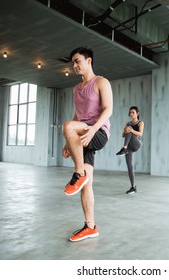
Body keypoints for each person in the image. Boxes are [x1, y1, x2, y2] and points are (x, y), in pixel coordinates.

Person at [62, 47, 113, 242]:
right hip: (83, 133)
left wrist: (92, 130)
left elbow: (108, 110)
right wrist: (69, 141)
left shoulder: (101, 82)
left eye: (77, 61)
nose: (74, 65)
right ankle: (90, 226)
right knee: (87, 185)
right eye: (72, 63)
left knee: (67, 125)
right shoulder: (76, 89)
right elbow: (78, 116)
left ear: (89, 61)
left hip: (98, 132)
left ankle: (78, 173)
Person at [116, 106, 144, 194]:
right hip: (129, 146)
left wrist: (130, 130)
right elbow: (123, 135)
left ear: (137, 113)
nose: (131, 114)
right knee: (130, 167)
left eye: (133, 112)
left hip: (137, 143)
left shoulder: (140, 123)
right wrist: (126, 130)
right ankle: (133, 187)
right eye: (130, 112)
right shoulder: (128, 123)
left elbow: (140, 134)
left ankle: (124, 148)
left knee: (130, 131)